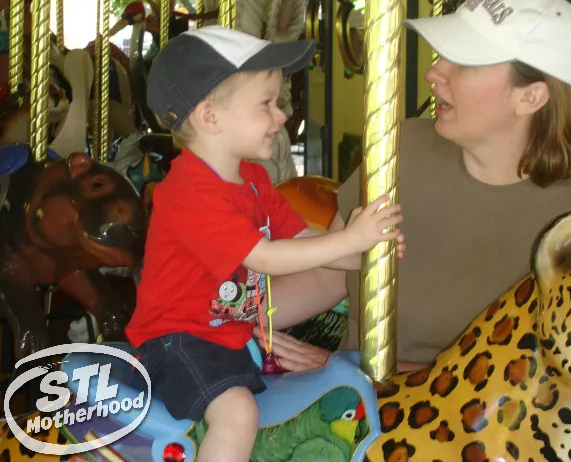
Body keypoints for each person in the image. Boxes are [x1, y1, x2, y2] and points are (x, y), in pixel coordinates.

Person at [256, 0, 571, 374]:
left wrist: (372, 373)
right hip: (349, 395)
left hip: (469, 425)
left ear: (531, 97)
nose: (434, 72)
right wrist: (227, 323)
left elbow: (549, 373)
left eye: (464, 63)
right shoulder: (402, 149)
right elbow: (328, 275)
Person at [125, 26, 405, 462]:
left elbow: (304, 239)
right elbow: (266, 257)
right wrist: (350, 238)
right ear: (209, 116)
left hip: (228, 331)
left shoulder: (253, 179)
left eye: (279, 103)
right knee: (237, 414)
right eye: (266, 104)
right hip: (179, 341)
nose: (282, 116)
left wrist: (363, 254)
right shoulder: (190, 192)